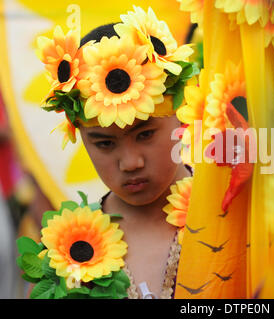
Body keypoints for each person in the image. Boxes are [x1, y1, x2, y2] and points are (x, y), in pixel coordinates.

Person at [33, 6, 196, 299]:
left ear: (182, 113)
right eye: (105, 143)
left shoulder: (234, 217)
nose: (131, 163)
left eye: (145, 134)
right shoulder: (64, 257)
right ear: (80, 134)